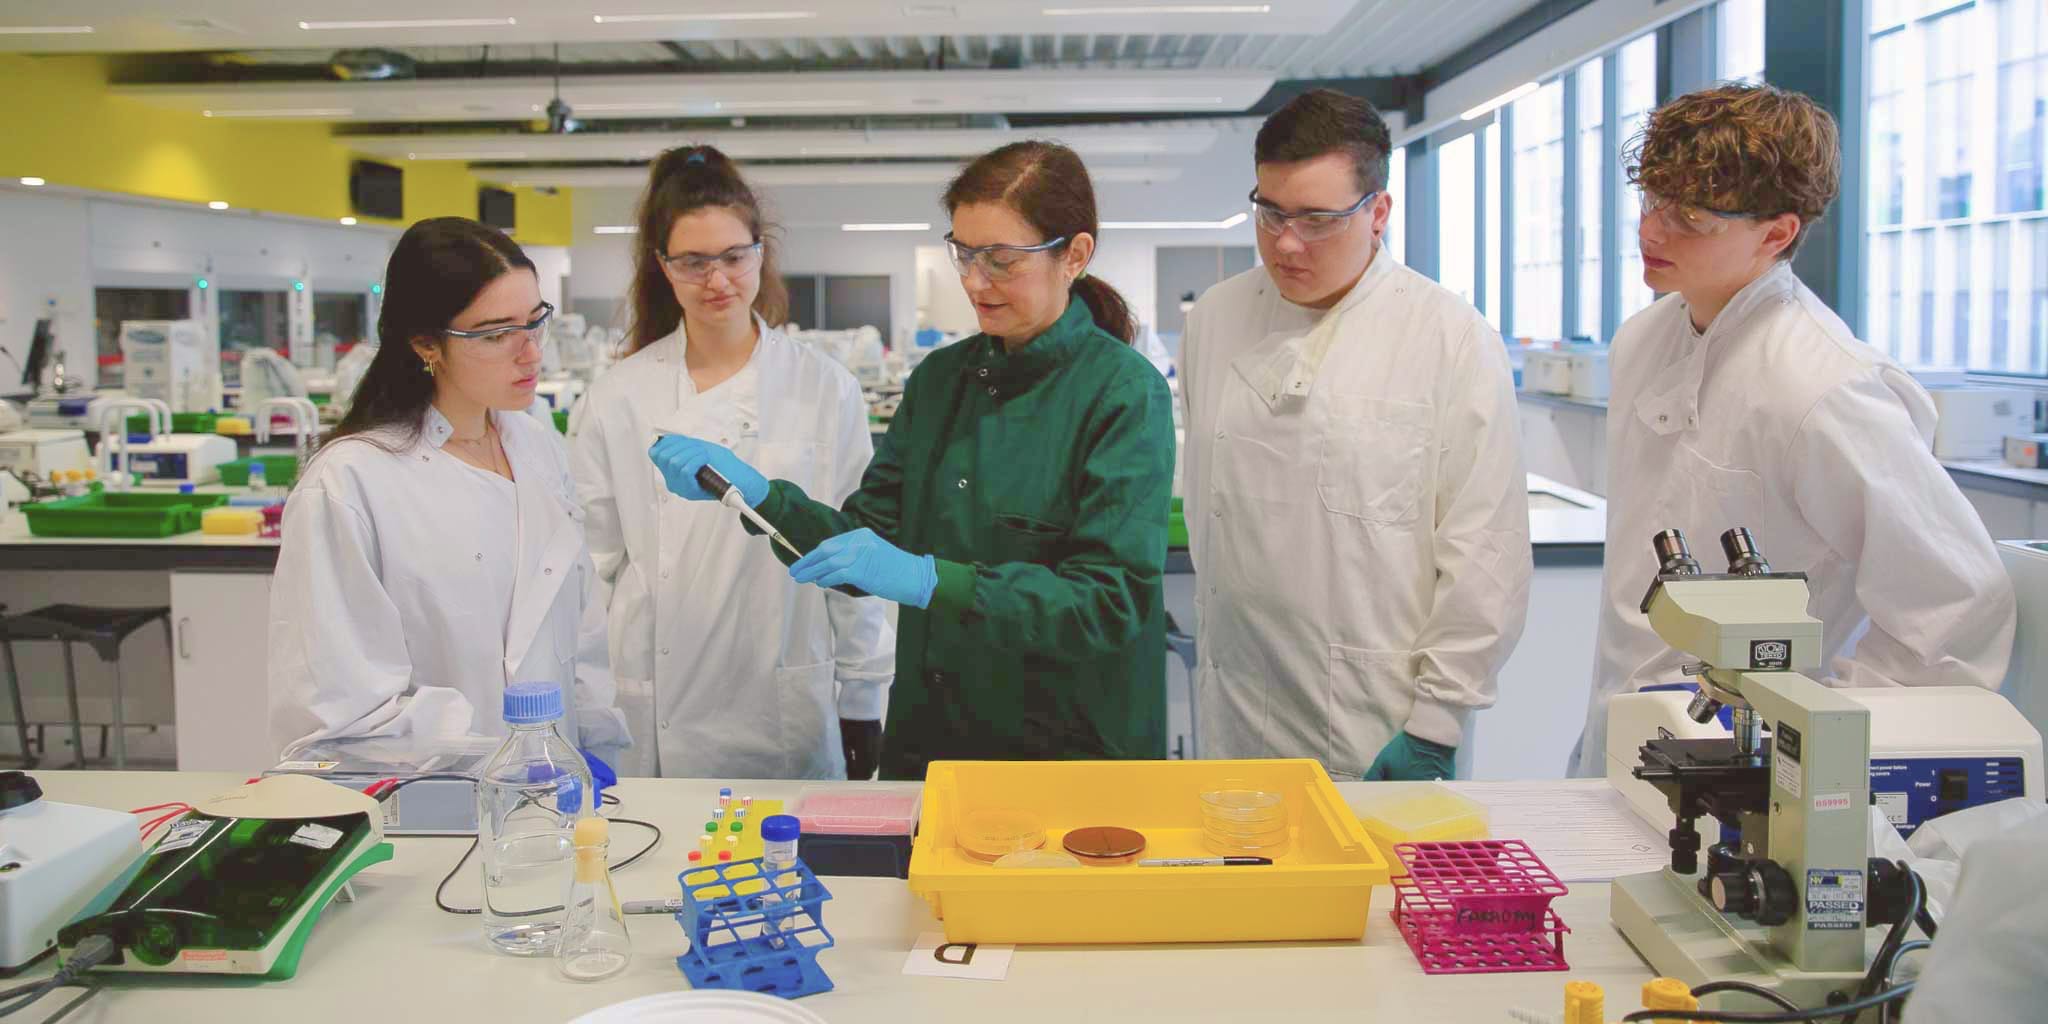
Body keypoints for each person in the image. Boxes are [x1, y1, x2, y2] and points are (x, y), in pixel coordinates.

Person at [648, 141, 1174, 781]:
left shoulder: (1122, 392)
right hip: (937, 738)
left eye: (1002, 260)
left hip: (1066, 750)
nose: (975, 281)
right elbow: (863, 545)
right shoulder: (942, 381)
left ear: (1076, 255)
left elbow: (1108, 602)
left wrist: (933, 580)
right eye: (964, 253)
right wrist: (761, 499)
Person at [1570, 83, 2014, 776]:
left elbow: (1954, 602)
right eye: (1651, 200)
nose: (1651, 231)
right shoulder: (1645, 338)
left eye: (1690, 216)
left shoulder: (1823, 385)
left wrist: (1813, 744)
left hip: (1739, 761)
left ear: (1776, 233)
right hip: (1623, 721)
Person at [1180, 89, 1532, 781]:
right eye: (1270, 212)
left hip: (1380, 724)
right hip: (1238, 707)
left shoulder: (1449, 337)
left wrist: (1437, 723)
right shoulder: (1216, 319)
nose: (1285, 241)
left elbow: (1485, 550)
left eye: (1316, 219)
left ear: (1378, 213)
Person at [571, 146, 895, 780]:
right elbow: (592, 568)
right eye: (693, 262)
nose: (716, 280)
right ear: (662, 267)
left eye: (733, 257)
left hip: (778, 690)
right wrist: (584, 702)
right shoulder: (618, 396)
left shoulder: (824, 389)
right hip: (657, 699)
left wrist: (864, 694)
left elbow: (856, 548)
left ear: (760, 253)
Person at [269, 218, 628, 765]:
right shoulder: (351, 483)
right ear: (425, 343)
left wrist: (591, 741)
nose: (531, 353)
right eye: (495, 333)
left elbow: (578, 629)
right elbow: (337, 713)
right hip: (426, 805)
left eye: (535, 322)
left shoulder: (536, 446)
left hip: (556, 793)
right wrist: (491, 758)